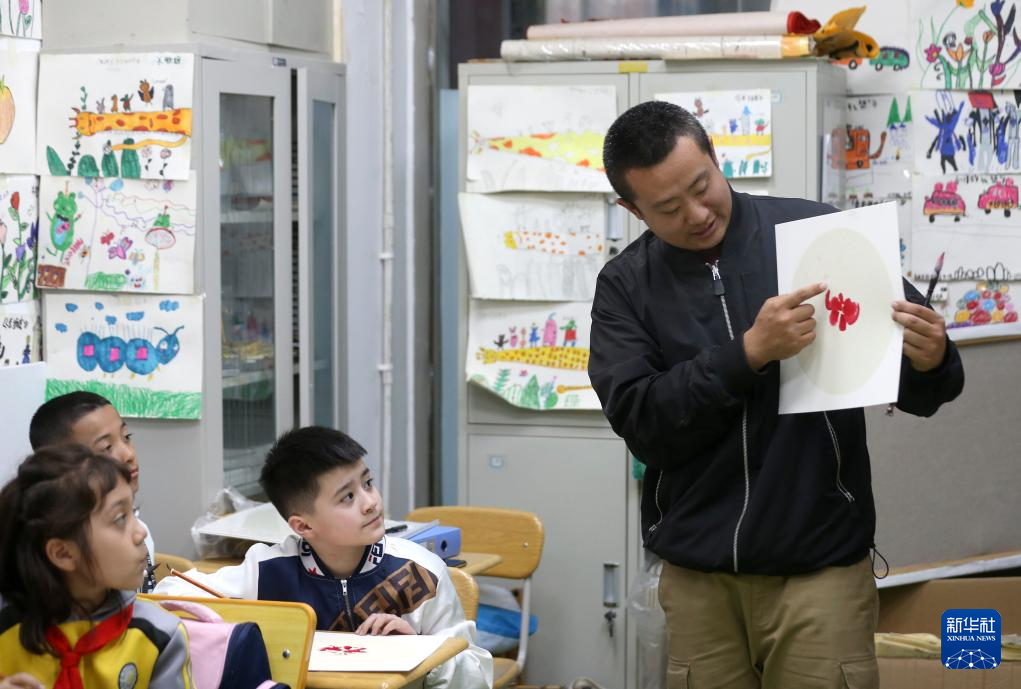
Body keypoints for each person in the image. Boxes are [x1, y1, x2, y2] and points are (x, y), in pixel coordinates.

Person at [589, 100, 964, 689]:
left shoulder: (816, 235)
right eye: (667, 208)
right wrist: (747, 354)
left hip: (820, 568)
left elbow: (921, 385)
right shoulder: (625, 285)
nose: (697, 214)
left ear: (716, 157)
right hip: (699, 576)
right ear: (632, 210)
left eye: (701, 186)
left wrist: (933, 357)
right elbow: (643, 422)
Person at [154, 425, 493, 689]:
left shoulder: (421, 571)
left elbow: (476, 676)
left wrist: (422, 652)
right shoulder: (267, 569)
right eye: (347, 497)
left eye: (368, 483)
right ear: (303, 526)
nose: (370, 502)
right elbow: (169, 595)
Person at [0, 445, 193, 689]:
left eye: (133, 511)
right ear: (63, 553)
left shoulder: (160, 637)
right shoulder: (7, 630)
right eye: (120, 518)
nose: (141, 532)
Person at [29, 392, 157, 592]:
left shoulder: (137, 531)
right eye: (106, 447)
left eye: (126, 437)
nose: (129, 454)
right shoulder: (64, 560)